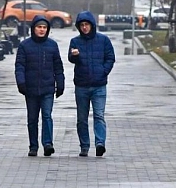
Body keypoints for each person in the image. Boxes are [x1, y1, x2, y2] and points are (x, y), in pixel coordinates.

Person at [15, 15, 65, 157]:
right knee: (32, 119)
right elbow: (20, 66)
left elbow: (58, 66)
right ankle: (33, 146)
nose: (42, 30)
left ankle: (48, 144)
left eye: (44, 27)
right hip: (30, 88)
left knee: (47, 116)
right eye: (39, 27)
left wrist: (60, 83)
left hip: (48, 87)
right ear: (34, 28)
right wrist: (21, 82)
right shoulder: (25, 45)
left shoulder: (52, 45)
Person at [68, 11, 116, 157]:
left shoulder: (103, 40)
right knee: (82, 118)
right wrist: (74, 55)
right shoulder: (75, 41)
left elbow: (110, 58)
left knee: (99, 115)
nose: (84, 27)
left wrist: (103, 71)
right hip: (81, 85)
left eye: (86, 24)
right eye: (81, 25)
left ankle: (100, 143)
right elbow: (71, 58)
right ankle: (84, 145)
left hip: (99, 85)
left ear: (92, 25)